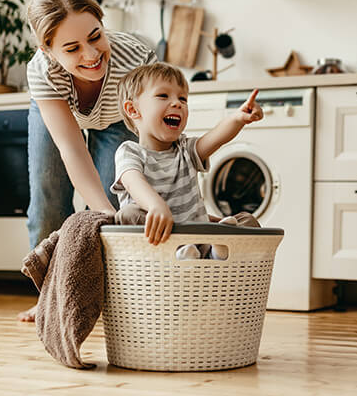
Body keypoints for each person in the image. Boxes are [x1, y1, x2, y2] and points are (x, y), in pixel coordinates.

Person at [18, 0, 156, 322]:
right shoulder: (42, 71)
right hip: (61, 110)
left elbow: (152, 135)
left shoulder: (137, 59)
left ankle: (109, 301)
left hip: (118, 118)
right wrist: (103, 213)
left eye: (95, 36)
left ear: (102, 23)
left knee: (116, 202)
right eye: (72, 48)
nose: (91, 55)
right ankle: (51, 297)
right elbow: (71, 148)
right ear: (48, 51)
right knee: (49, 195)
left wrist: (115, 213)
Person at [110, 63, 263, 259]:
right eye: (163, 96)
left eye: (182, 98)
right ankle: (186, 253)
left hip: (198, 235)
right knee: (127, 216)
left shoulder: (185, 150)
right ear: (133, 109)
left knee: (247, 221)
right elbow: (133, 182)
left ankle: (217, 252)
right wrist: (156, 206)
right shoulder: (129, 151)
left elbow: (216, 137)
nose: (177, 103)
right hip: (159, 243)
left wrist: (238, 119)